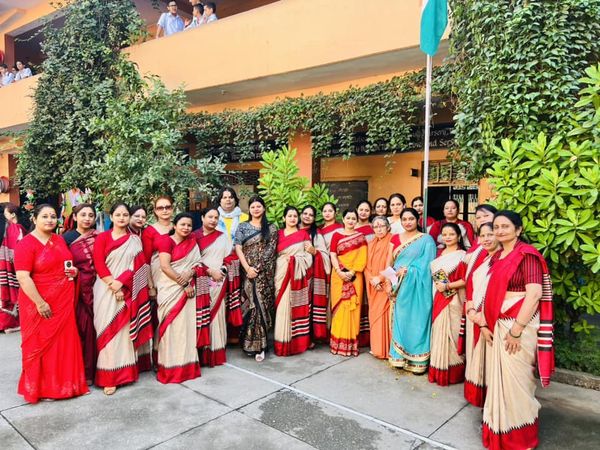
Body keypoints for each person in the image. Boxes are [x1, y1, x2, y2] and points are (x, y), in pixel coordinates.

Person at [481, 211, 554, 450]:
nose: (500, 231)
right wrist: (484, 323)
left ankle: (520, 438)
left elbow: (534, 294)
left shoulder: (527, 255)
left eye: (506, 226)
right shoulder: (497, 256)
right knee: (499, 381)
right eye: (496, 227)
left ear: (518, 229)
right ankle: (499, 430)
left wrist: (516, 330)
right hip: (498, 322)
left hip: (518, 325)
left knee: (517, 383)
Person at [14, 204, 88, 403]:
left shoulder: (59, 240)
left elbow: (66, 264)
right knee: (40, 345)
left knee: (64, 344)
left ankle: (67, 386)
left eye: (53, 216)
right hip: (38, 301)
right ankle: (44, 389)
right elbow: (23, 277)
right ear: (34, 219)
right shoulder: (25, 244)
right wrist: (40, 303)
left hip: (63, 301)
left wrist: (74, 272)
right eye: (45, 216)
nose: (49, 220)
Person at [93, 203, 152, 395]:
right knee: (107, 331)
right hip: (104, 289)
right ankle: (108, 377)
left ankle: (125, 374)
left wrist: (121, 283)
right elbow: (99, 263)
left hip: (127, 289)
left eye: (125, 215)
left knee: (124, 334)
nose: (121, 218)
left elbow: (139, 266)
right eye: (117, 214)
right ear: (111, 217)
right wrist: (113, 283)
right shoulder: (102, 238)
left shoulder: (134, 240)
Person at [156, 213, 206, 383]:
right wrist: (184, 284)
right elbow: (165, 267)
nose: (186, 228)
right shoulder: (166, 241)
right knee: (171, 328)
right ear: (175, 225)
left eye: (189, 225)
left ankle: (186, 367)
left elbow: (198, 263)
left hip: (188, 290)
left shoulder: (192, 243)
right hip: (170, 290)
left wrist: (191, 272)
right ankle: (170, 369)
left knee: (186, 328)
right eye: (182, 224)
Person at [388, 208, 436, 373]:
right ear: (400, 221)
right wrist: (390, 283)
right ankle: (399, 357)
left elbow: (428, 265)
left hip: (418, 289)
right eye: (404, 219)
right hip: (399, 287)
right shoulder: (395, 238)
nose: (408, 222)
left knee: (417, 320)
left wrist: (409, 270)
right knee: (400, 320)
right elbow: (390, 264)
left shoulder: (426, 240)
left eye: (411, 219)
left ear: (417, 220)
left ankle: (417, 360)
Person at [195, 207, 242, 367]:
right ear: (202, 218)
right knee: (200, 317)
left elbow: (231, 257)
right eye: (210, 217)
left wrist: (221, 270)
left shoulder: (222, 237)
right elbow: (191, 260)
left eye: (216, 217)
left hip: (219, 281)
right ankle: (200, 354)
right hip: (200, 282)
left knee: (217, 317)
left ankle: (216, 352)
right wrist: (209, 271)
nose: (213, 220)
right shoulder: (193, 236)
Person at [234, 196, 277, 362]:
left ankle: (261, 346)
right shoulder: (242, 227)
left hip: (264, 275)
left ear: (264, 208)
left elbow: (270, 251)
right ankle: (248, 343)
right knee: (250, 306)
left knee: (261, 307)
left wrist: (257, 269)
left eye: (259, 206)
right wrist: (248, 269)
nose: (256, 209)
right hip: (247, 273)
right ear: (249, 209)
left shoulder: (271, 228)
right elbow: (238, 248)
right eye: (253, 207)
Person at [62, 203, 98, 385]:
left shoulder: (99, 236)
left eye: (91, 215)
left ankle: (96, 370)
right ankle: (81, 372)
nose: (87, 218)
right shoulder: (66, 238)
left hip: (99, 287)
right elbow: (62, 263)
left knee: (96, 329)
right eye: (83, 215)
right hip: (76, 290)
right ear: (75, 217)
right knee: (82, 329)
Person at [463, 222, 499, 407]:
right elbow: (471, 285)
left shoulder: (503, 259)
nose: (486, 239)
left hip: (491, 319)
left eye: (490, 234)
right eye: (482, 235)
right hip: (475, 314)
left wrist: (483, 321)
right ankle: (477, 394)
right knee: (476, 356)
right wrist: (471, 309)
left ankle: (492, 400)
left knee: (492, 360)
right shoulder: (483, 258)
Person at [429, 223, 467, 386]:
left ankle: (454, 373)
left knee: (453, 334)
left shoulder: (464, 255)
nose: (448, 237)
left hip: (455, 300)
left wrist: (448, 286)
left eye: (451, 234)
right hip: (438, 298)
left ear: (458, 236)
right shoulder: (438, 254)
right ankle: (438, 369)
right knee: (439, 332)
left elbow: (467, 280)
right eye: (444, 234)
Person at [274, 207, 313, 356]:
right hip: (281, 273)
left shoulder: (303, 234)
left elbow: (308, 257)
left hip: (296, 276)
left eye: (295, 216)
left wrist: (293, 260)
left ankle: (295, 343)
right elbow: (271, 255)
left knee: (294, 308)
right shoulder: (277, 234)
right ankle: (281, 343)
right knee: (282, 308)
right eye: (289, 216)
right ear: (284, 218)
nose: (292, 218)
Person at [329, 209, 368, 357]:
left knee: (353, 309)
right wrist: (339, 271)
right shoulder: (336, 235)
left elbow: (363, 257)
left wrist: (351, 272)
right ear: (343, 219)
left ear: (357, 221)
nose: (351, 221)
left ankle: (350, 346)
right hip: (338, 276)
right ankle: (337, 344)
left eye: (353, 218)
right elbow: (333, 254)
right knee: (339, 308)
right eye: (348, 218)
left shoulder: (361, 237)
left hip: (355, 276)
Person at [142, 196, 174, 368]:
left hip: (178, 279)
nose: (164, 210)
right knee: (159, 317)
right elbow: (146, 260)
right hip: (158, 278)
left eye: (167, 207)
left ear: (172, 208)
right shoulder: (150, 231)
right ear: (155, 211)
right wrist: (150, 286)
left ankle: (175, 355)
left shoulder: (179, 226)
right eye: (160, 208)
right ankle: (158, 357)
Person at [299, 205, 331, 342]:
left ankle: (309, 337)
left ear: (314, 218)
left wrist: (315, 252)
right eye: (305, 213)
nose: (307, 216)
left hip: (310, 275)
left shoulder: (316, 234)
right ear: (300, 214)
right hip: (294, 274)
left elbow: (324, 255)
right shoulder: (292, 229)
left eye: (311, 215)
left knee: (308, 306)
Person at [364, 216, 392, 359]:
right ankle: (377, 348)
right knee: (374, 315)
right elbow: (366, 266)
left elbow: (392, 263)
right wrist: (372, 280)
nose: (379, 229)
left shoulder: (393, 241)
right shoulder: (370, 244)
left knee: (386, 315)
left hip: (386, 284)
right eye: (376, 226)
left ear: (388, 227)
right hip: (373, 286)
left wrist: (380, 278)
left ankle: (387, 350)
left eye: (382, 226)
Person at [0, 203, 26, 332]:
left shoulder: (16, 228)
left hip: (9, 265)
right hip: (9, 265)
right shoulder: (13, 228)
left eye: (6, 214)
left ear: (13, 215)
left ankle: (9, 323)